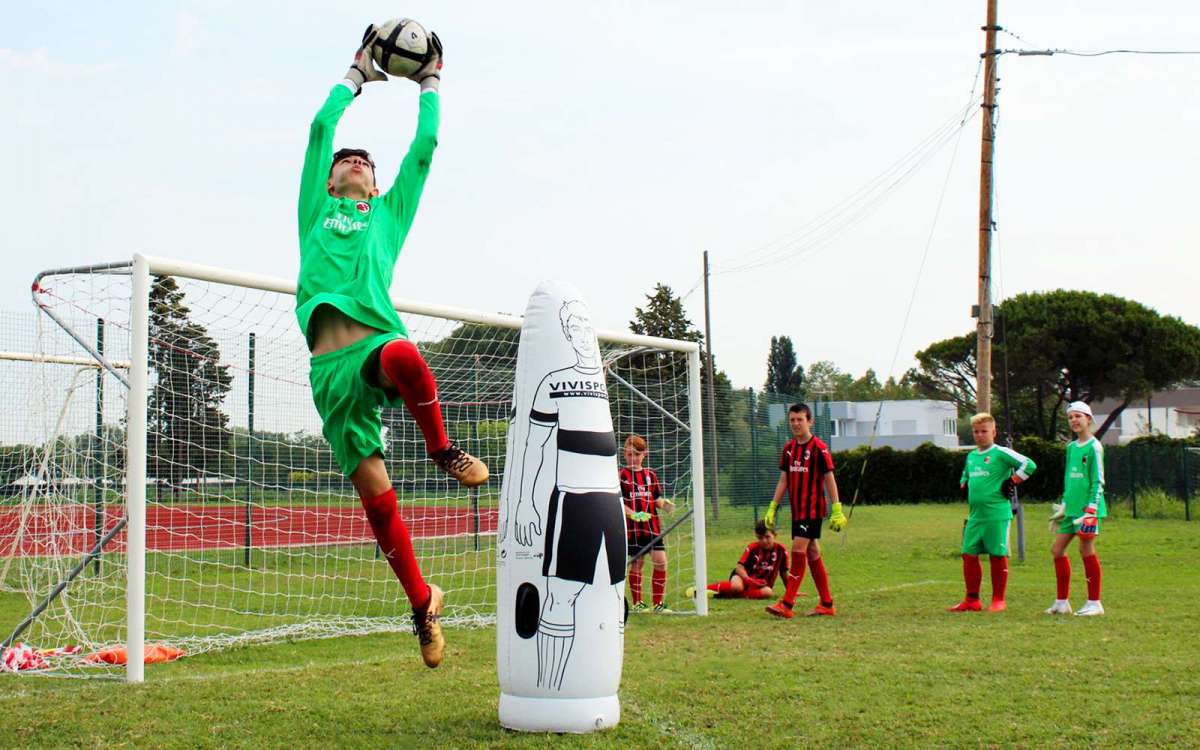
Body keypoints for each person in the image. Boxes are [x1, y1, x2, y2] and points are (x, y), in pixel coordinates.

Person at [295, 25, 488, 668]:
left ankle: (442, 449)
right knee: (377, 503)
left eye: (365, 162)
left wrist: (429, 80)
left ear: (375, 185)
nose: (354, 160)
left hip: (375, 343)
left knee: (404, 353)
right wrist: (356, 73)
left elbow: (425, 149)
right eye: (345, 161)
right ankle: (422, 601)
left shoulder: (387, 214)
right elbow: (321, 126)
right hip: (329, 374)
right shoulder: (313, 210)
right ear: (328, 182)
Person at [764, 403, 847, 619]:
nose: (795, 423)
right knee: (812, 553)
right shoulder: (789, 449)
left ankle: (787, 603)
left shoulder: (819, 448)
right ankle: (827, 603)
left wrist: (836, 508)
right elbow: (784, 479)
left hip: (812, 510)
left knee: (798, 549)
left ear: (810, 421)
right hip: (797, 511)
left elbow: (829, 479)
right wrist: (773, 506)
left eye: (800, 419)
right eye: (792, 420)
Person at [949, 413, 1036, 613]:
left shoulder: (1001, 452)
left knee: (997, 554)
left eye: (984, 431)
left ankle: (998, 600)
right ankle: (972, 600)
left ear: (994, 432)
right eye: (976, 432)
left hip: (997, 514)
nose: (979, 435)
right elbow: (967, 473)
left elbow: (1029, 465)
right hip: (975, 516)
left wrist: (1013, 480)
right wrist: (964, 482)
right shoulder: (971, 456)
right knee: (968, 554)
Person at [1045, 401, 1106, 616]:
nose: (1074, 420)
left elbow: (1098, 481)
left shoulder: (1094, 447)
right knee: (1057, 549)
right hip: (1071, 510)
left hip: (1088, 511)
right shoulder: (1071, 448)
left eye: (1078, 416)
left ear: (1088, 419)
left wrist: (1091, 508)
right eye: (1070, 417)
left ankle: (1094, 603)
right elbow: (1070, 479)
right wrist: (1064, 504)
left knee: (1085, 549)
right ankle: (1062, 602)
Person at [620, 435, 675, 613]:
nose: (632, 458)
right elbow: (618, 502)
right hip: (633, 529)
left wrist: (667, 506)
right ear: (624, 454)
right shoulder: (621, 476)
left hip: (652, 528)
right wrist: (633, 514)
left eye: (636, 454)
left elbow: (656, 499)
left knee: (661, 562)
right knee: (637, 564)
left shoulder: (650, 475)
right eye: (629, 454)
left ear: (644, 454)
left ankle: (658, 604)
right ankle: (638, 603)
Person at [690, 520, 788, 600]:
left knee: (768, 592)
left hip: (760, 584)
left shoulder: (782, 550)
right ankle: (700, 590)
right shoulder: (752, 548)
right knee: (737, 587)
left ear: (775, 535)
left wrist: (791, 591)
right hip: (742, 577)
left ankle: (724, 594)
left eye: (767, 537)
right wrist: (748, 579)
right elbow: (739, 567)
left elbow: (784, 573)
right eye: (760, 538)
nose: (764, 541)